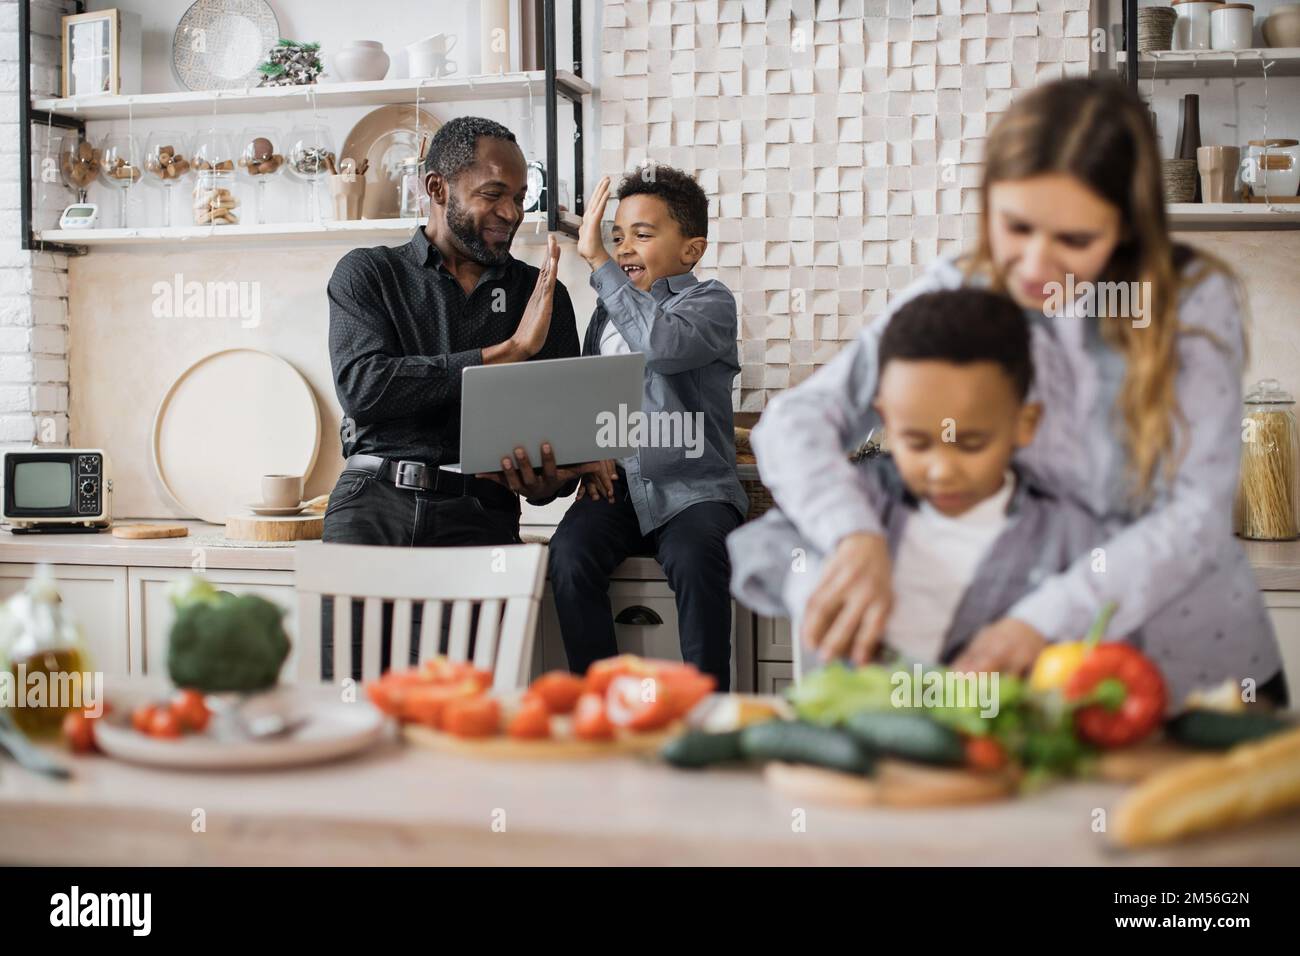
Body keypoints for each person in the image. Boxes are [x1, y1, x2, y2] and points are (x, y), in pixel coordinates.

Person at [750, 77, 1287, 707]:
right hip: (1046, 673)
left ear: (1127, 227)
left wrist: (1041, 620)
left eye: (1075, 240)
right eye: (1016, 227)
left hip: (1195, 664)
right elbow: (794, 421)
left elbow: (1195, 518)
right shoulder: (962, 284)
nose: (1034, 266)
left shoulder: (1190, 301)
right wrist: (854, 533)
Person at [321, 116, 606, 674]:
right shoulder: (368, 274)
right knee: (349, 703)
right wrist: (510, 350)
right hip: (374, 504)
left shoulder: (539, 292)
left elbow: (559, 450)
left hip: (483, 515)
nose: (511, 213)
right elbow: (365, 387)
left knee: (472, 712)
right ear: (436, 189)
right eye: (493, 194)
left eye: (521, 198)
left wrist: (550, 479)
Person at [731, 289, 1100, 668]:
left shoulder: (1067, 532)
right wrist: (812, 578)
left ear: (1026, 423)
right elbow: (758, 548)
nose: (942, 471)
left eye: (971, 443)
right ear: (886, 418)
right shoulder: (868, 497)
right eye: (916, 442)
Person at [546, 167, 748, 689]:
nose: (623, 247)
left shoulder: (710, 304)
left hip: (692, 489)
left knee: (695, 558)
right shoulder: (605, 313)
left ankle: (705, 709)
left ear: (691, 250)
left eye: (642, 233)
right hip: (618, 487)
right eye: (616, 236)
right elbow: (593, 393)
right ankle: (603, 698)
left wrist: (597, 261)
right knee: (567, 556)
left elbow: (662, 346)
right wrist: (590, 453)